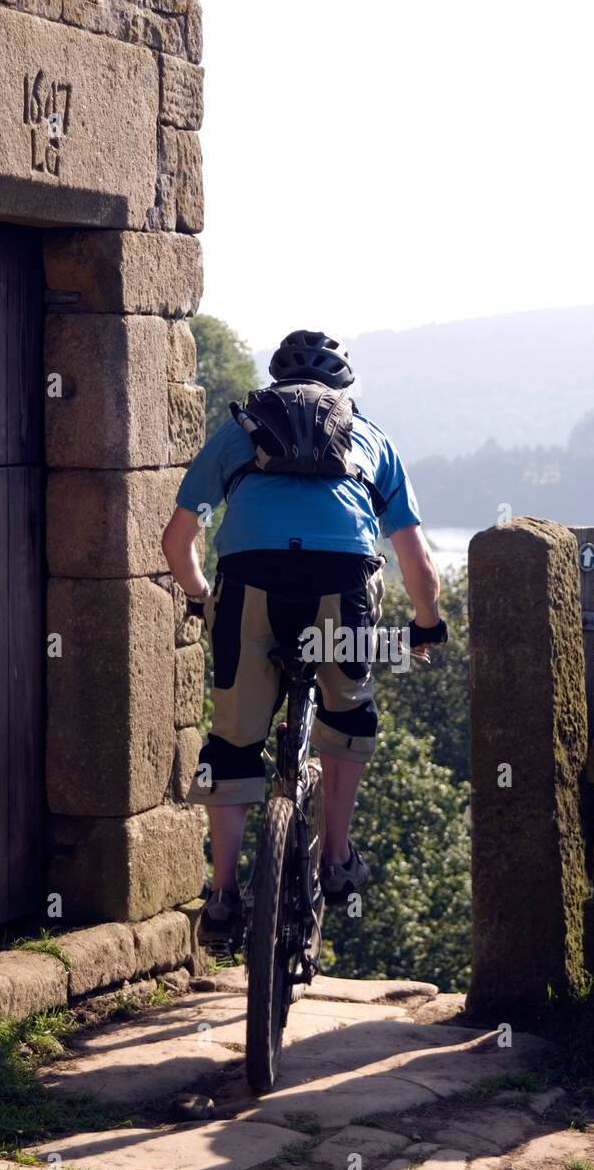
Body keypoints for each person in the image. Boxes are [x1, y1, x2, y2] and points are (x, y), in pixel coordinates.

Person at [161, 330, 447, 953]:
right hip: (336, 586)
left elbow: (176, 542)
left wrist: (201, 597)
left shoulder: (238, 431)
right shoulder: (372, 438)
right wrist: (426, 625)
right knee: (348, 716)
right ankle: (338, 859)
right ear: (343, 389)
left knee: (234, 739)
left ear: (275, 382)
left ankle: (222, 897)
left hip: (248, 582)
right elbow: (417, 564)